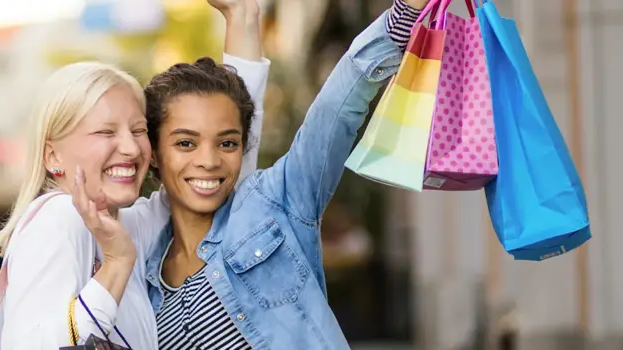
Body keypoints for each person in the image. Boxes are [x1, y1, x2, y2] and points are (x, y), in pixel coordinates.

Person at [136, 0, 428, 348]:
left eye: (227, 143)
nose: (209, 160)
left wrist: (404, 15)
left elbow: (335, 110)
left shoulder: (273, 204)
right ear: (153, 154)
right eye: (186, 143)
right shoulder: (143, 278)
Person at [0, 2, 268, 348]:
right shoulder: (59, 218)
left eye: (138, 130)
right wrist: (116, 265)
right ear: (53, 154)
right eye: (106, 132)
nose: (130, 149)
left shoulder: (126, 225)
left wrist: (242, 16)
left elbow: (223, 171)